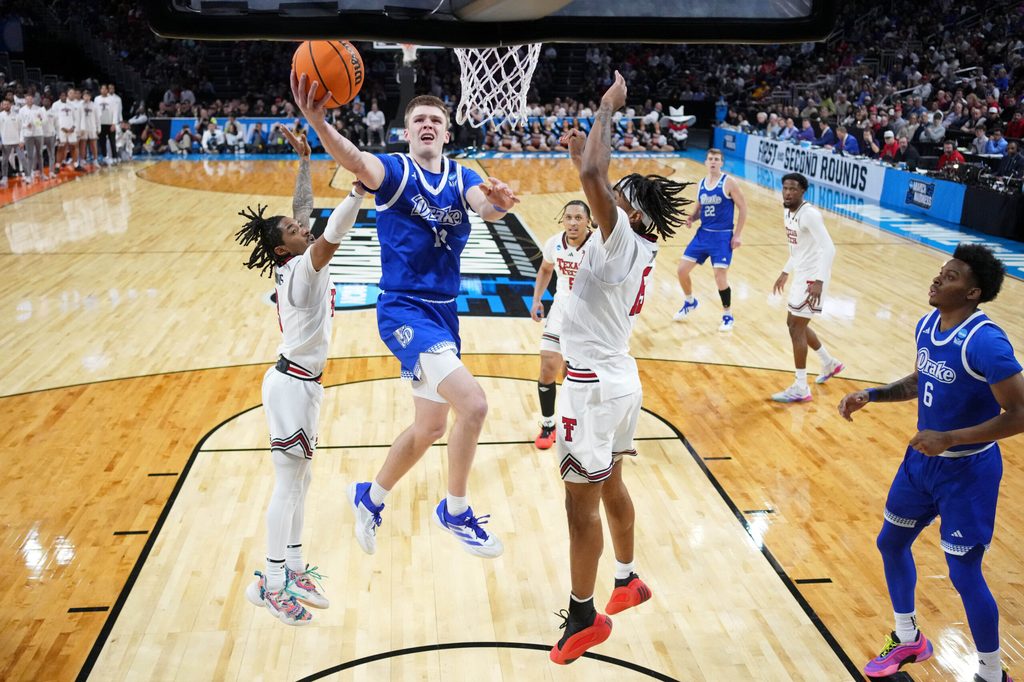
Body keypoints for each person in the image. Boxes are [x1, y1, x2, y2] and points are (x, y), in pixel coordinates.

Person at [290, 71, 518, 559]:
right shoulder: (394, 171)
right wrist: (320, 125)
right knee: (473, 405)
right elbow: (356, 160)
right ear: (408, 131)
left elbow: (485, 206)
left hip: (444, 313)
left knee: (431, 429)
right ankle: (455, 510)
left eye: (436, 119)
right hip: (403, 310)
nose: (428, 125)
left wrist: (498, 205)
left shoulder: (464, 176)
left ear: (449, 131)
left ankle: (369, 497)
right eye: (419, 120)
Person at [549, 71, 692, 665]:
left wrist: (608, 107)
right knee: (611, 484)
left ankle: (584, 617)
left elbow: (591, 177)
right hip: (620, 379)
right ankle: (628, 579)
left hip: (591, 387)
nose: (602, 198)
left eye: (614, 194)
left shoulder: (623, 240)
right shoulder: (638, 244)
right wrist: (578, 154)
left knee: (577, 508)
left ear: (627, 209)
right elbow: (590, 177)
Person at [841, 244, 1024, 682]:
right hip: (922, 463)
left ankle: (991, 672)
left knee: (963, 571)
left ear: (973, 293)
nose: (940, 278)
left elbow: (1019, 414)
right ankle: (908, 638)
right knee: (890, 542)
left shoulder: (986, 342)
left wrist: (949, 439)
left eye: (953, 276)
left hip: (968, 471)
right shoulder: (927, 324)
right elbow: (924, 377)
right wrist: (875, 395)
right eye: (942, 271)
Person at [238, 126, 364, 625]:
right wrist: (357, 189)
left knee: (302, 481)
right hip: (291, 385)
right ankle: (270, 585)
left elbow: (305, 211)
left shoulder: (290, 260)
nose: (301, 226)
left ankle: (289, 569)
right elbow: (332, 232)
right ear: (283, 248)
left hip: (302, 384)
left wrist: (307, 160)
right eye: (293, 228)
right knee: (288, 485)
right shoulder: (301, 270)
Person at [770, 172, 843, 402]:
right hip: (801, 274)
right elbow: (797, 248)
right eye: (785, 188)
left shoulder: (809, 215)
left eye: (793, 189)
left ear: (802, 191)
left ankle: (801, 387)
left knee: (796, 327)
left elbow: (829, 248)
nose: (788, 192)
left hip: (813, 278)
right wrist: (785, 271)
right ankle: (828, 362)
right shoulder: (787, 213)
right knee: (794, 323)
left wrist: (820, 281)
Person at [529, 200, 594, 449]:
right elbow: (546, 269)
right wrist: (537, 300)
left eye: (579, 218)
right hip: (561, 310)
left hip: (589, 316)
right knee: (547, 365)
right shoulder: (554, 242)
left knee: (575, 375)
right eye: (568, 217)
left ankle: (576, 423)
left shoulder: (598, 246)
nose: (573, 222)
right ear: (562, 220)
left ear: (588, 221)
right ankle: (548, 424)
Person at [673, 147, 747, 332]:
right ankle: (690, 301)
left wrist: (737, 235)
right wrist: (691, 217)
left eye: (716, 159)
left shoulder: (729, 182)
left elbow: (744, 208)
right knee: (682, 270)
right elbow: (700, 209)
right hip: (703, 233)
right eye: (710, 159)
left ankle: (728, 315)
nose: (713, 161)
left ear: (721, 162)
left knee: (720, 277)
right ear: (706, 162)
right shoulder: (702, 183)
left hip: (722, 236)